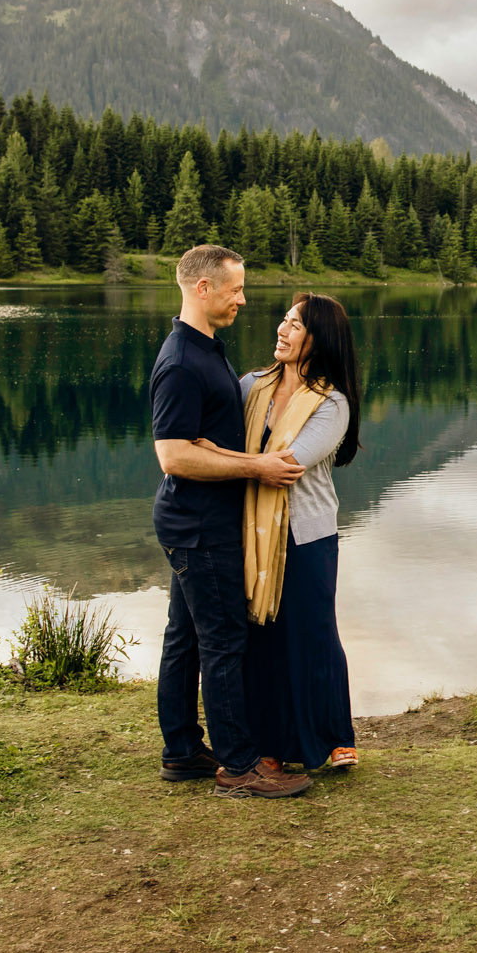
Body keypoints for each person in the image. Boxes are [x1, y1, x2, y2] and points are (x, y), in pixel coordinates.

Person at [149, 244, 311, 800]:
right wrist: (256, 466)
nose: (243, 299)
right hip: (198, 524)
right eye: (235, 289)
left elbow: (200, 443)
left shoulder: (205, 349)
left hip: (196, 518)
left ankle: (182, 751)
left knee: (186, 639)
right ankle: (239, 765)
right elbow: (173, 455)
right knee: (223, 639)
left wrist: (220, 453)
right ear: (203, 289)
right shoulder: (179, 362)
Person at [229, 293, 364, 775]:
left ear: (318, 339)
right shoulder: (249, 386)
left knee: (312, 634)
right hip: (249, 532)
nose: (282, 331)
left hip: (307, 535)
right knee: (261, 639)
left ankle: (332, 736)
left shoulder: (332, 403)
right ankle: (268, 740)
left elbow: (289, 467)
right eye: (284, 322)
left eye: (295, 326)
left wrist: (225, 464)